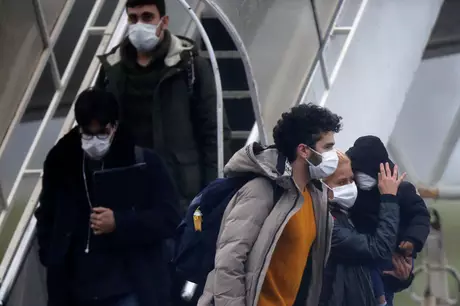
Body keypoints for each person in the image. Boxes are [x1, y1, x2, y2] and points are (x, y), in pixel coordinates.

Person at [35, 88, 181, 306]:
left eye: (102, 133)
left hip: (129, 287)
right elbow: (46, 213)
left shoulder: (143, 162)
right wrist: (50, 254)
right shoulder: (60, 162)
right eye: (87, 133)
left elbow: (169, 218)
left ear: (114, 127)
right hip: (74, 289)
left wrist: (120, 222)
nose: (94, 140)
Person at [198, 103, 342, 306]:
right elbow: (229, 263)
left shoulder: (316, 198)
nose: (333, 155)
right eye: (327, 147)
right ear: (303, 151)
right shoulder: (262, 191)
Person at [96, 0, 232, 213]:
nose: (139, 24)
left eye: (147, 17)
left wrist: (211, 193)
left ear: (164, 21)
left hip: (178, 194)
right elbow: (96, 130)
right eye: (133, 18)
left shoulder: (190, 67)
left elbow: (214, 133)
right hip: (126, 196)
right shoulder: (111, 70)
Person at [346, 135, 431, 306]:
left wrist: (412, 240)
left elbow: (420, 216)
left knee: (385, 285)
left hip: (397, 252)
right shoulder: (351, 193)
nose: (360, 177)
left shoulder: (403, 190)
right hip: (368, 256)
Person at [319, 151, 403, 306]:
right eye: (342, 182)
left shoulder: (345, 214)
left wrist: (401, 278)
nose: (350, 186)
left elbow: (364, 272)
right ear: (321, 184)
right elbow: (378, 249)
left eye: (352, 180)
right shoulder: (328, 225)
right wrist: (389, 199)